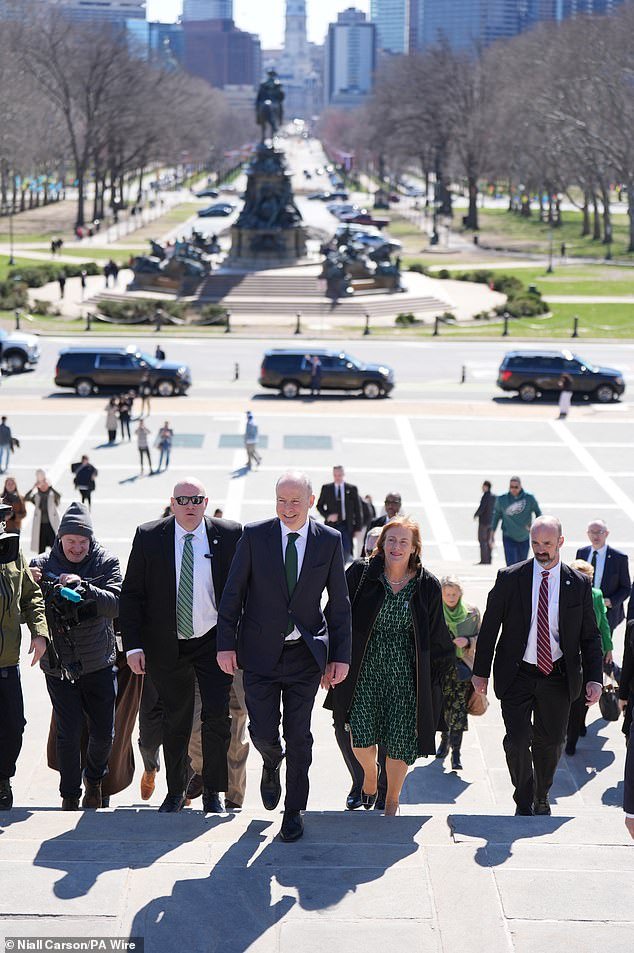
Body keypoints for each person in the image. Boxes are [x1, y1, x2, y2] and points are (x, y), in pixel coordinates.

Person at [217, 471, 351, 842]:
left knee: (300, 734)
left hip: (305, 656)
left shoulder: (329, 540)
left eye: (295, 501)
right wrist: (225, 644)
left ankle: (294, 810)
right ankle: (271, 761)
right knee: (262, 731)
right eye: (281, 500)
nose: (287, 508)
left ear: (311, 501)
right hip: (258, 654)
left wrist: (340, 656)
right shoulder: (255, 535)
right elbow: (233, 595)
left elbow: (339, 604)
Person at [120, 479, 242, 813]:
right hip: (167, 644)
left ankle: (213, 794)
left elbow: (243, 591)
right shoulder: (149, 536)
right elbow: (131, 595)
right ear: (172, 503)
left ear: (206, 502)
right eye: (183, 499)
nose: (190, 505)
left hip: (213, 642)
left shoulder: (230, 534)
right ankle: (175, 793)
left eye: (196, 499)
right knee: (176, 720)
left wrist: (236, 642)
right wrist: (133, 647)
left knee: (217, 718)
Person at [472, 516, 603, 815]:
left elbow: (590, 637)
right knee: (517, 742)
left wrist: (594, 678)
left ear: (560, 542)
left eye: (546, 543)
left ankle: (541, 793)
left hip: (557, 676)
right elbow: (490, 627)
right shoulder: (509, 578)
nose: (540, 550)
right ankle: (524, 794)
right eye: (535, 543)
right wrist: (480, 672)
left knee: (552, 742)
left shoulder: (578, 584)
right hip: (517, 673)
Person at [327, 516, 455, 816]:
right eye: (391, 540)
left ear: (414, 548)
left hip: (407, 676)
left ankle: (392, 800)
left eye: (404, 542)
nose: (396, 547)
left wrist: (442, 687)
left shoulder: (427, 586)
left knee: (400, 742)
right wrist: (330, 660)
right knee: (359, 734)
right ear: (382, 544)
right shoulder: (360, 574)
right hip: (364, 670)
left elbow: (439, 638)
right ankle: (370, 779)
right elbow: (335, 617)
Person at [29, 503, 121, 810]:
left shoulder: (106, 561)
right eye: (71, 542)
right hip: (58, 664)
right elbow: (26, 609)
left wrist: (84, 588)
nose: (77, 548)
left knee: (104, 733)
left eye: (83, 542)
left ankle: (93, 778)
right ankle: (69, 794)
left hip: (99, 661)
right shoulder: (41, 564)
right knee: (67, 733)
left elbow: (118, 603)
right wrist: (36, 583)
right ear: (60, 539)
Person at [0, 503, 49, 811]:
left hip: (7, 663)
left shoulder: (12, 553)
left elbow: (31, 596)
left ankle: (3, 778)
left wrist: (39, 631)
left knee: (14, 725)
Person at [565, 558, 613, 755]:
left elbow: (603, 625)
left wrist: (608, 648)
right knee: (570, 697)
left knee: (584, 696)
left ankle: (573, 737)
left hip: (591, 653)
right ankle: (571, 727)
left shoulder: (596, 595)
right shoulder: (564, 594)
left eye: (589, 578)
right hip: (569, 654)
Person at [437, 575, 481, 770]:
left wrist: (468, 641)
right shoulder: (435, 612)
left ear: (460, 593)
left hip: (463, 668)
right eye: (447, 594)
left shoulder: (471, 612)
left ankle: (456, 752)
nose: (451, 597)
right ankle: (443, 741)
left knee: (459, 710)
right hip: (440, 669)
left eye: (454, 593)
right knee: (442, 708)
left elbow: (483, 637)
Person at [576, 520, 630, 634]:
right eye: (592, 532)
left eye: (599, 532)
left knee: (603, 646)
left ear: (606, 533)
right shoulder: (582, 553)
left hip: (608, 613)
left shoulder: (619, 558)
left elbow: (626, 588)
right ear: (587, 534)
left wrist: (610, 601)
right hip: (584, 609)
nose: (595, 535)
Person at [490, 476, 541, 566]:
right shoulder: (502, 499)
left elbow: (538, 513)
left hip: (524, 536)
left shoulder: (529, 498)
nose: (513, 489)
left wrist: (534, 526)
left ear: (520, 486)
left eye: (516, 487)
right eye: (511, 487)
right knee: (511, 565)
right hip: (508, 536)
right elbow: (496, 516)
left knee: (521, 565)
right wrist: (492, 534)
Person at [317, 465, 363, 562]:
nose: (337, 477)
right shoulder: (326, 488)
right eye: (335, 475)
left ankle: (342, 568)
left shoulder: (351, 489)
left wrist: (358, 528)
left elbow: (358, 510)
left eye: (339, 475)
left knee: (346, 550)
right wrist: (328, 516)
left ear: (343, 474)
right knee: (331, 549)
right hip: (331, 525)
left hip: (346, 525)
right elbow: (319, 506)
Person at [25, 470, 61, 554]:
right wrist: (33, 487)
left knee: (54, 547)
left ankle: (55, 564)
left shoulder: (52, 495)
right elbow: (26, 498)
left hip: (51, 525)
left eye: (45, 484)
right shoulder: (36, 496)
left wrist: (51, 487)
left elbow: (58, 496)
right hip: (40, 526)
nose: (43, 486)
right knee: (41, 549)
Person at [474, 480, 496, 565]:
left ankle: (484, 560)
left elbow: (482, 508)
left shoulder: (485, 496)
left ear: (486, 487)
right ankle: (489, 560)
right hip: (491, 522)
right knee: (489, 541)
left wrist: (476, 515)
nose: (482, 488)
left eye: (483, 486)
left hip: (484, 522)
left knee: (482, 541)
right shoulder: (494, 497)